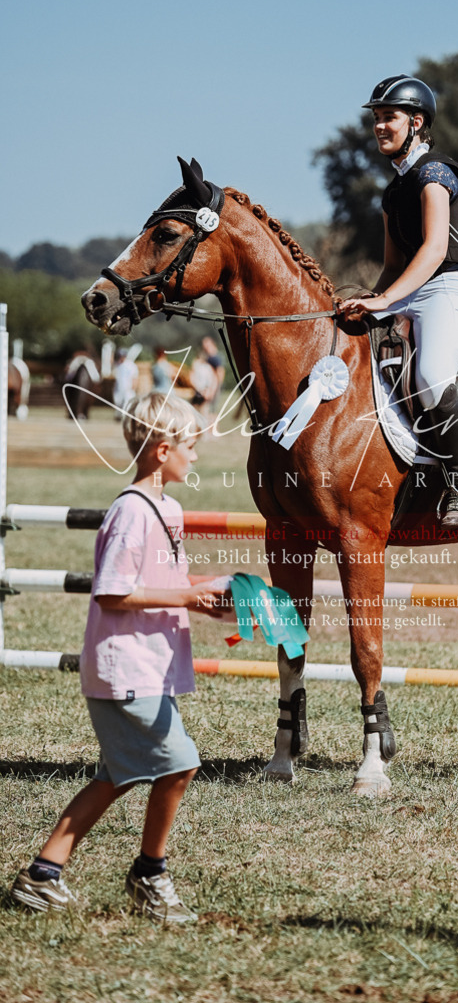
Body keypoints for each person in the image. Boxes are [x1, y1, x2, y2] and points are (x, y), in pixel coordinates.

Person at [10, 393, 231, 923]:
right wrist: (184, 598)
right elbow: (112, 592)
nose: (195, 458)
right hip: (124, 668)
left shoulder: (169, 510)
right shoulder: (131, 512)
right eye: (191, 448)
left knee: (119, 776)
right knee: (180, 765)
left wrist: (221, 596)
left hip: (150, 665)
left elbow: (172, 585)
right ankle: (150, 874)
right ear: (161, 451)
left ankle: (43, 875)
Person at [344, 75, 458, 532]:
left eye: (389, 117)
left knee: (429, 372)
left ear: (417, 122)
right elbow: (392, 264)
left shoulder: (435, 172)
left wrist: (387, 298)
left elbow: (434, 250)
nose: (380, 126)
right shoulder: (391, 192)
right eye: (377, 119)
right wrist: (367, 300)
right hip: (409, 290)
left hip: (452, 289)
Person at [112, 347, 139, 418]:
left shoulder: (131, 365)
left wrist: (133, 387)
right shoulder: (118, 365)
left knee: (127, 406)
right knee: (118, 404)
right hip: (119, 389)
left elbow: (135, 377)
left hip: (128, 389)